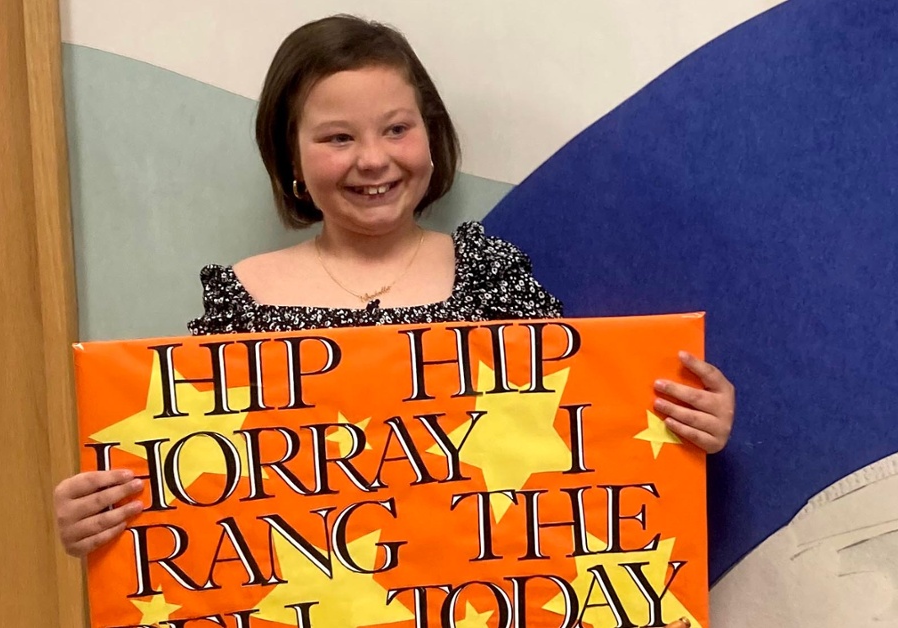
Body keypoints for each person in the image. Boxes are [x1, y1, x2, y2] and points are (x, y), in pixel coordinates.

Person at [52, 14, 735, 583]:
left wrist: (696, 424)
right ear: (291, 159)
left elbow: (591, 442)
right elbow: (195, 494)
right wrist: (96, 520)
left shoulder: (491, 275)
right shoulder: (239, 301)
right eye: (337, 138)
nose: (372, 159)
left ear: (431, 139)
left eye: (396, 129)